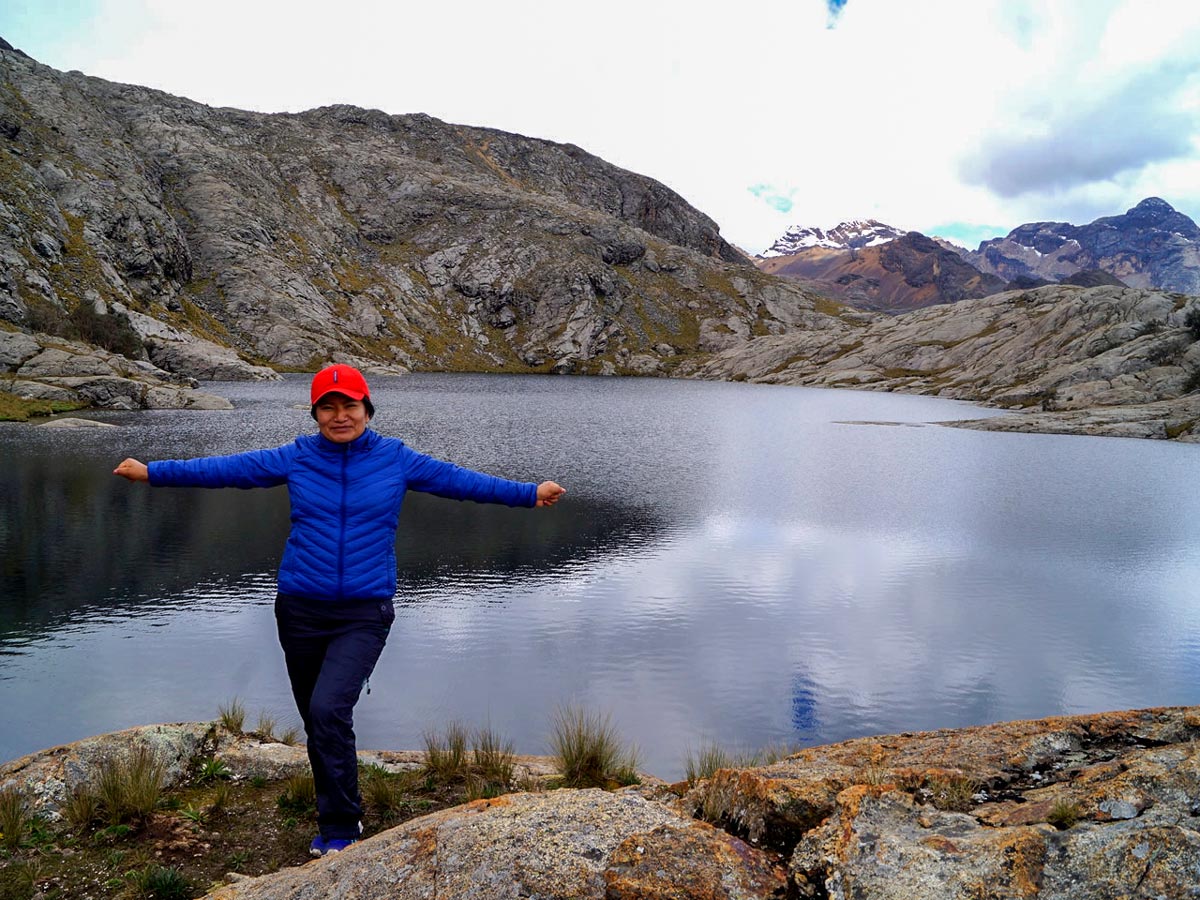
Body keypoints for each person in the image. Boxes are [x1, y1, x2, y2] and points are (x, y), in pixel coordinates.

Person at [113, 364, 565, 857]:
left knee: (330, 709)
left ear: (367, 409)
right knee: (317, 718)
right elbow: (224, 470)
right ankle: (335, 811)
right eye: (327, 406)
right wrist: (152, 472)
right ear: (316, 414)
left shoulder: (397, 459)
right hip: (300, 609)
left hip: (364, 611)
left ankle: (341, 828)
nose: (339, 415)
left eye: (349, 405)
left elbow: (460, 481)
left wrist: (528, 494)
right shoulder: (297, 457)